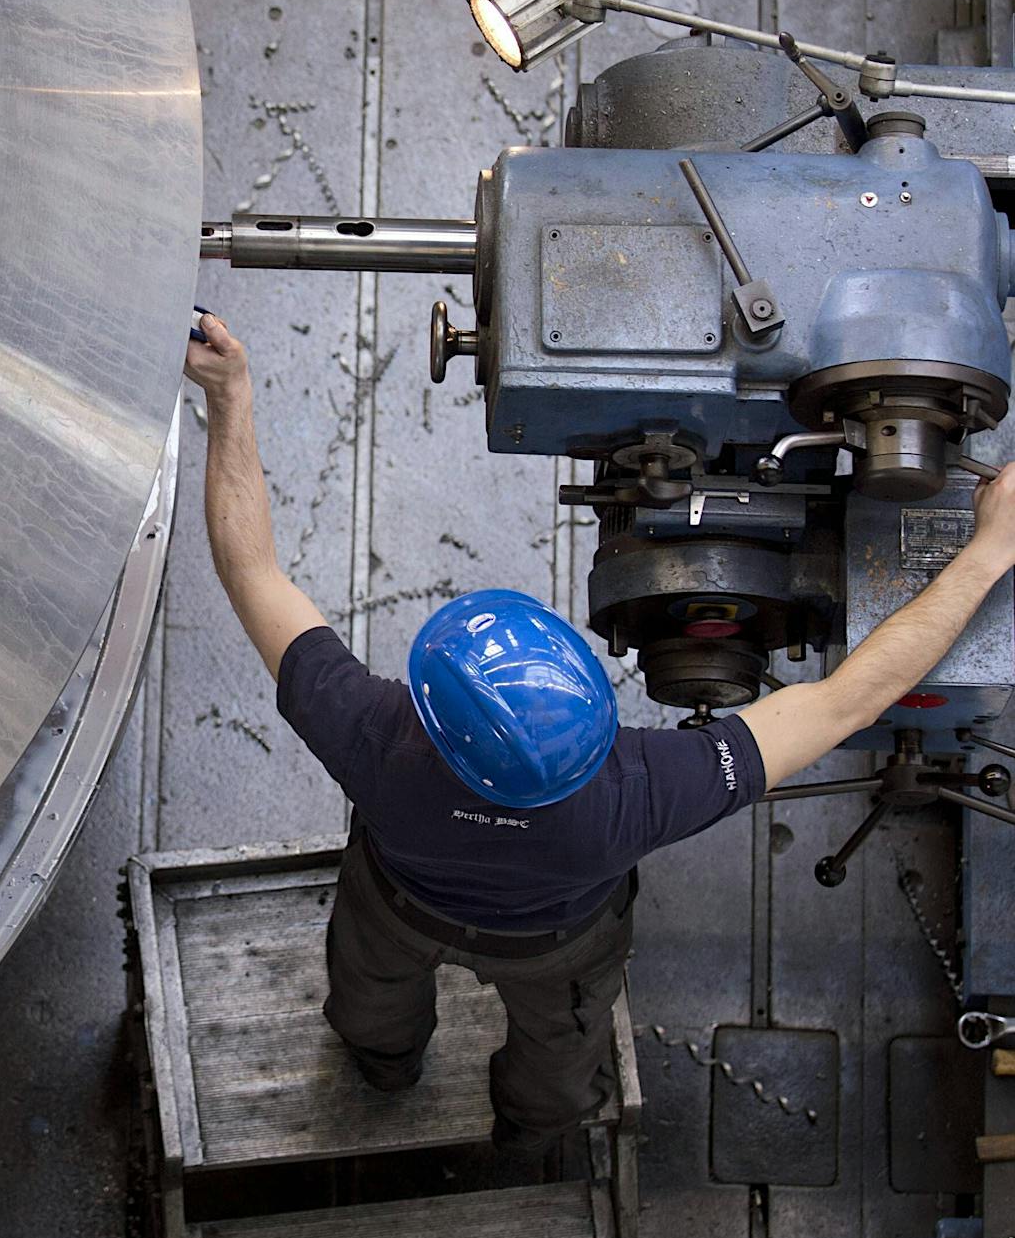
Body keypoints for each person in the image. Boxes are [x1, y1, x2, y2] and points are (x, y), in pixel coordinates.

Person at [184, 308, 1015, 1155]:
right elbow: (849, 700)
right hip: (558, 943)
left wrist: (230, 393)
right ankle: (533, 1129)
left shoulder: (374, 737)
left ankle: (384, 1066)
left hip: (397, 909)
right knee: (560, 1048)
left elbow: (248, 567)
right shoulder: (638, 792)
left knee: (372, 996)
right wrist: (986, 554)